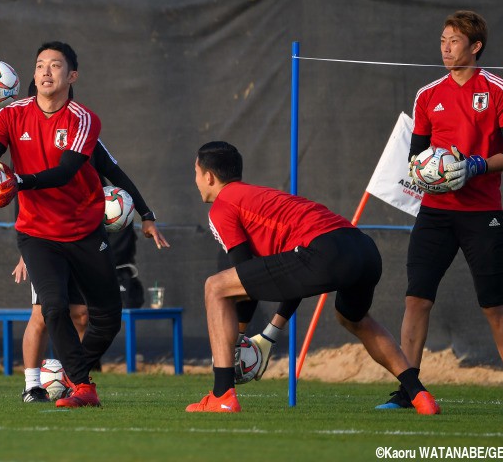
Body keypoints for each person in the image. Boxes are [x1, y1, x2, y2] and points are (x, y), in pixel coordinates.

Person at [186, 141, 440, 414]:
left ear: (209, 176)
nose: (196, 180)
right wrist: (268, 336)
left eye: (196, 173)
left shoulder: (223, 206)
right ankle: (419, 395)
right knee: (354, 319)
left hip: (324, 250)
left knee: (215, 286)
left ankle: (222, 394)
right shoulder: (260, 196)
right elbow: (288, 278)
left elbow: (243, 281)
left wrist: (238, 338)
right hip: (362, 248)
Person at [0, 41, 134, 408]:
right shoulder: (8, 114)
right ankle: (81, 385)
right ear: (32, 75)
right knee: (51, 307)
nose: (46, 71)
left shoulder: (83, 119)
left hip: (84, 230)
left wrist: (17, 182)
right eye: (39, 65)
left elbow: (67, 173)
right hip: (36, 233)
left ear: (72, 76)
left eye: (55, 65)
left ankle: (69, 372)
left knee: (106, 318)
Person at [376, 10, 503, 412]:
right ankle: (409, 390)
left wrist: (475, 165)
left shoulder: (500, 90)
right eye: (442, 40)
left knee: (493, 305)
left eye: (454, 41)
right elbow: (416, 155)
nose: (445, 48)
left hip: (483, 214)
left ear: (475, 46)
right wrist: (428, 172)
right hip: (435, 214)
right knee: (416, 300)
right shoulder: (428, 95)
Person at [15, 135, 169, 403]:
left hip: (82, 240)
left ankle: (73, 376)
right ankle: (32, 385)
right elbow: (25, 196)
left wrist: (146, 214)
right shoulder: (31, 145)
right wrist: (26, 251)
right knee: (44, 312)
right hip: (46, 243)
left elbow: (115, 173)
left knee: (85, 315)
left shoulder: (85, 135)